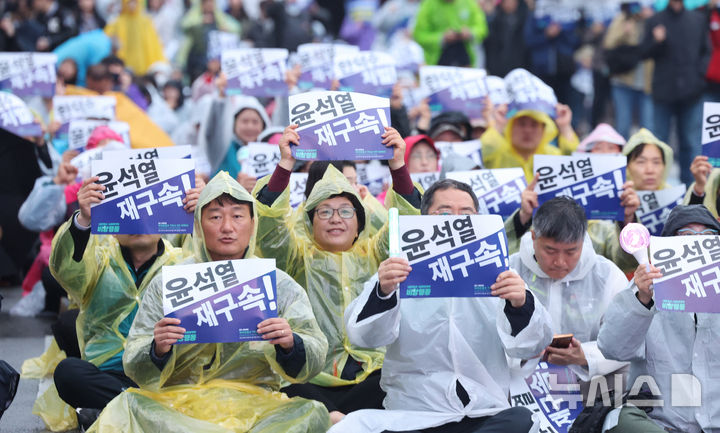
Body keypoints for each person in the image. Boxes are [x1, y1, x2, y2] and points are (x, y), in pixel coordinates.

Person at [95, 171, 330, 432]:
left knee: (312, 413)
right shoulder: (169, 283)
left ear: (253, 223)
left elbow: (315, 352)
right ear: (198, 225)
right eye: (215, 217)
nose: (227, 227)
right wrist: (157, 349)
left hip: (257, 405)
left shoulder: (277, 283)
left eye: (237, 216)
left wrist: (291, 343)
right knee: (128, 405)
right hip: (179, 407)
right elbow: (134, 363)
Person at [332, 178, 554, 433]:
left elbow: (533, 344)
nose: (455, 221)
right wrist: (383, 291)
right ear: (424, 219)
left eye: (466, 214)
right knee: (351, 427)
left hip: (483, 411)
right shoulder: (398, 272)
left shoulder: (500, 274)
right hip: (414, 413)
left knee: (523, 421)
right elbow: (362, 336)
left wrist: (520, 304)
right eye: (445, 213)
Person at [252, 125, 421, 423]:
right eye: (324, 211)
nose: (335, 219)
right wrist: (285, 164)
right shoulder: (295, 257)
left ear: (359, 223)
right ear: (310, 222)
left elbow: (406, 221)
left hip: (371, 375)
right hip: (310, 379)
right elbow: (268, 225)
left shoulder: (376, 253)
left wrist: (397, 165)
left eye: (345, 211)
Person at [48, 173, 192, 428]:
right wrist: (83, 220)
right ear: (112, 227)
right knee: (68, 373)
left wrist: (202, 214)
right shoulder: (100, 261)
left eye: (146, 213)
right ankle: (145, 409)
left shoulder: (183, 262)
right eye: (128, 214)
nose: (138, 222)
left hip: (164, 374)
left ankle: (117, 409)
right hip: (108, 373)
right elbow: (66, 267)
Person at [597, 204, 720, 433]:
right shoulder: (645, 287)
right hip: (661, 425)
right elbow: (612, 349)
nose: (697, 243)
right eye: (686, 236)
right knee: (621, 420)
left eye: (708, 236)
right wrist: (642, 299)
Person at [510, 197, 629, 397]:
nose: (560, 262)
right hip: (522, 383)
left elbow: (626, 340)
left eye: (571, 252)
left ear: (583, 241)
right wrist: (523, 353)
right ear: (533, 237)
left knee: (628, 373)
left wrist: (584, 356)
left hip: (586, 382)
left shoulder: (607, 275)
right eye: (550, 250)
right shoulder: (511, 271)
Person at [641, 0, 711, 186]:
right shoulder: (655, 20)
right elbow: (643, 52)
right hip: (663, 92)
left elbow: (706, 51)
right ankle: (658, 187)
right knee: (659, 142)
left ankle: (692, 189)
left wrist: (699, 76)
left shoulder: (697, 19)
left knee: (690, 142)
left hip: (692, 92)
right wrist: (657, 41)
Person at [481, 102, 579, 183]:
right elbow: (485, 148)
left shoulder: (553, 155)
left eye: (534, 125)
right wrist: (499, 124)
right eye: (522, 124)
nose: (527, 130)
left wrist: (565, 127)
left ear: (544, 129)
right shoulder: (498, 153)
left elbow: (576, 160)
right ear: (510, 128)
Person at [603, 2, 655, 139]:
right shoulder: (623, 18)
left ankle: (645, 152)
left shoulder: (654, 20)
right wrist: (625, 32)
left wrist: (650, 20)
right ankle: (622, 153)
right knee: (623, 125)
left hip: (647, 84)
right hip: (623, 81)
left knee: (647, 128)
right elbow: (608, 43)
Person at [413, 0, 488, 67]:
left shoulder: (469, 2)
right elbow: (418, 35)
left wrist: (470, 33)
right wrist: (442, 38)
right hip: (436, 64)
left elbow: (482, 29)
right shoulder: (428, 4)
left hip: (465, 62)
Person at [104, 0, 166, 75]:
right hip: (124, 65)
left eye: (134, 2)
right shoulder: (117, 22)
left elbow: (153, 44)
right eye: (129, 2)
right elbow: (108, 38)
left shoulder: (145, 21)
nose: (132, 5)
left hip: (144, 65)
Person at [623, 128, 674, 192]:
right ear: (627, 167)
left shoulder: (676, 196)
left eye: (656, 162)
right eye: (641, 162)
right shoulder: (618, 196)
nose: (650, 170)